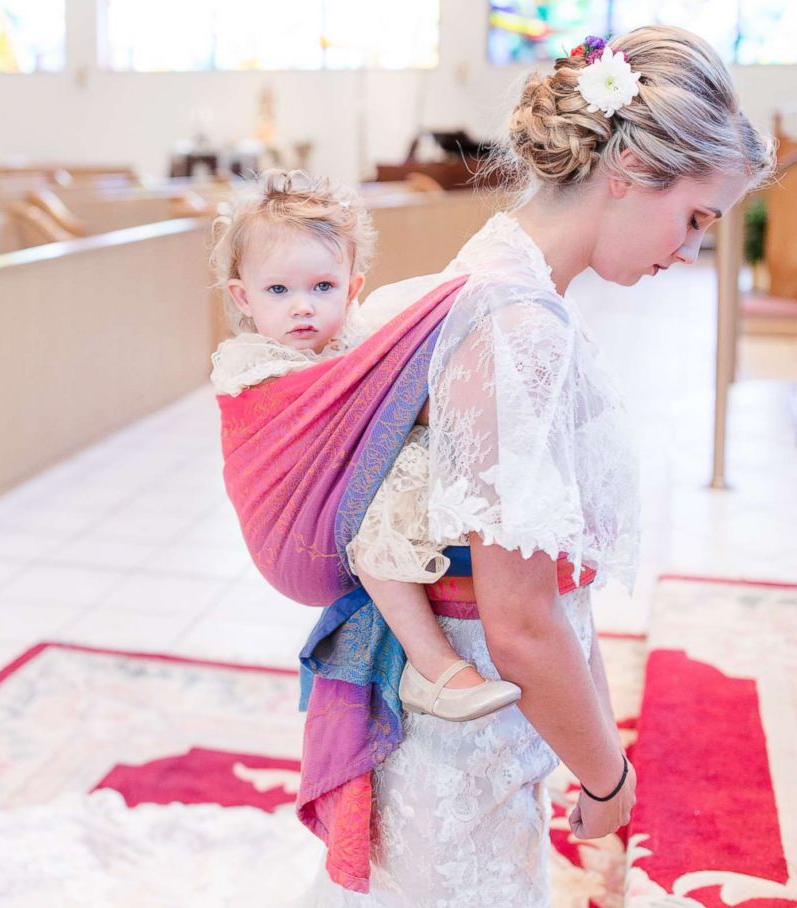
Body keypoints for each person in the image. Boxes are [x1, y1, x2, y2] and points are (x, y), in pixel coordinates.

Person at [302, 25, 776, 905]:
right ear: (632, 169)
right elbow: (520, 617)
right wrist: (608, 776)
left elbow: (554, 588)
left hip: (486, 712)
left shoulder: (501, 279)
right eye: (696, 218)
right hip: (466, 732)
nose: (690, 251)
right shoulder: (515, 326)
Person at [210, 168, 522, 721]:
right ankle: (431, 669)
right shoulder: (252, 364)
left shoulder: (357, 339)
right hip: (304, 521)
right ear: (243, 297)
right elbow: (323, 413)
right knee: (383, 509)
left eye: (322, 287)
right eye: (278, 290)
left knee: (423, 461)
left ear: (352, 288)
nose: (302, 306)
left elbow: (387, 379)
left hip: (345, 490)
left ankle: (502, 617)